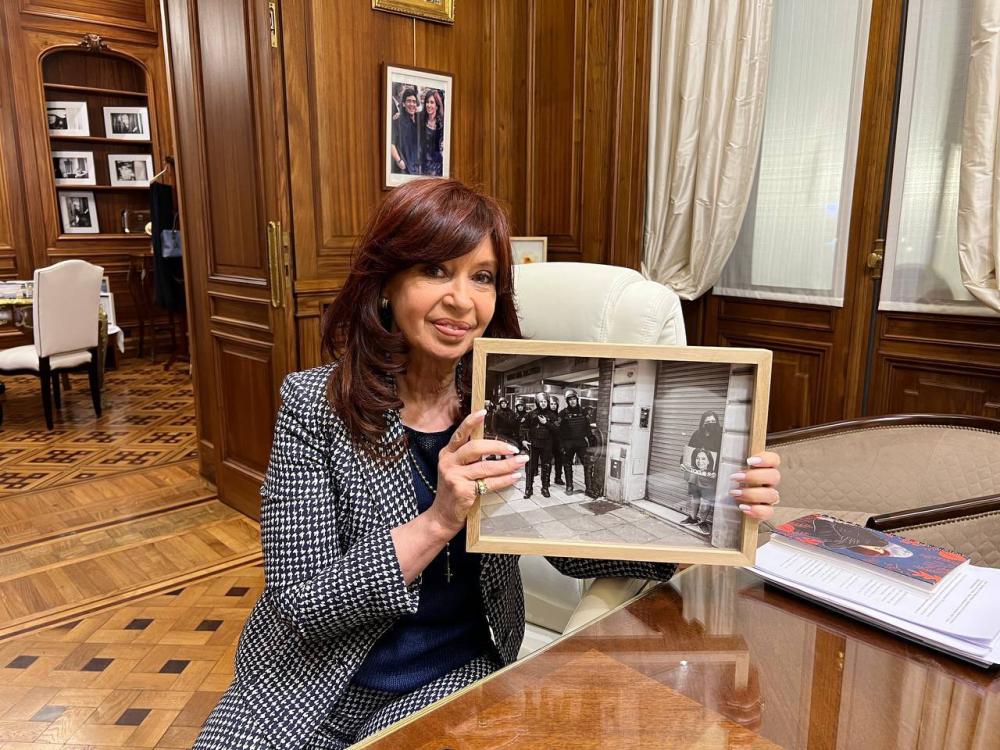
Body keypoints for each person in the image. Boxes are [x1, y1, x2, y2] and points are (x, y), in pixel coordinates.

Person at [195, 179, 783, 749]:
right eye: (434, 270)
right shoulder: (314, 406)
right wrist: (437, 521)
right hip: (307, 682)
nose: (462, 299)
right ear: (384, 285)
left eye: (483, 278)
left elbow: (578, 549)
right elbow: (303, 604)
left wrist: (712, 510)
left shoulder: (497, 409)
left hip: (449, 677)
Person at [682, 411, 724, 534]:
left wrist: (717, 472)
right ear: (703, 423)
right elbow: (689, 450)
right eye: (707, 422)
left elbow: (722, 456)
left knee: (706, 501)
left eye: (713, 421)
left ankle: (703, 521)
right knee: (695, 497)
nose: (710, 424)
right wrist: (683, 463)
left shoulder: (720, 436)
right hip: (695, 472)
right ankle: (692, 518)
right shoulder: (697, 434)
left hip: (710, 475)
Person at [558, 389, 595, 496]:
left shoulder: (583, 412)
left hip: (581, 443)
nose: (572, 401)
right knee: (567, 464)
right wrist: (561, 445)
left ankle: (589, 488)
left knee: (587, 464)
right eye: (570, 400)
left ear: (577, 399)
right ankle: (569, 486)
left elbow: (588, 429)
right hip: (568, 443)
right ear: (567, 401)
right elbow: (558, 431)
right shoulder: (563, 413)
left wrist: (591, 443)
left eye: (574, 399)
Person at [522, 392, 559, 499]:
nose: (543, 403)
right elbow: (523, 427)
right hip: (533, 444)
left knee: (546, 466)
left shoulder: (552, 415)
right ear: (537, 402)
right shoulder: (531, 414)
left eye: (545, 401)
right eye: (541, 401)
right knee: (530, 468)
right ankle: (528, 489)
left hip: (547, 445)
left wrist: (546, 423)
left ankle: (545, 488)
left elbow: (557, 430)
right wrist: (523, 440)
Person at [390, 87, 422, 175]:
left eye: (414, 101)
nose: (411, 104)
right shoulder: (397, 121)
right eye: (409, 101)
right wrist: (399, 161)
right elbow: (390, 143)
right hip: (404, 169)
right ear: (403, 104)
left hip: (417, 169)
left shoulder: (419, 120)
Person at [420, 89, 444, 176]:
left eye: (432, 102)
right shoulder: (420, 118)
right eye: (427, 102)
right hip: (422, 165)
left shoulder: (442, 124)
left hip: (436, 167)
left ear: (437, 106)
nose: (429, 105)